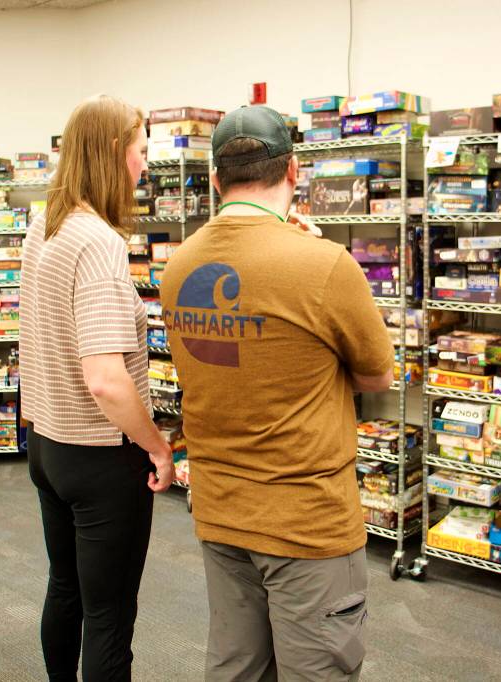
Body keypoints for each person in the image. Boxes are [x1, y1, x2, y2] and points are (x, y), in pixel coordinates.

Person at [159, 105, 394, 681]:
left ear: (215, 179)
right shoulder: (325, 265)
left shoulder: (178, 264)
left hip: (220, 509)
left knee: (238, 668)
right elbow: (376, 376)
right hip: (305, 520)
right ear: (294, 171)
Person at [19, 94, 174, 682]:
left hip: (47, 448)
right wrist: (157, 445)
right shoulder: (100, 242)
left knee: (65, 590)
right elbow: (106, 380)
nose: (143, 167)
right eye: (139, 152)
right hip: (101, 462)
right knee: (109, 617)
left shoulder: (45, 226)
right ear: (114, 153)